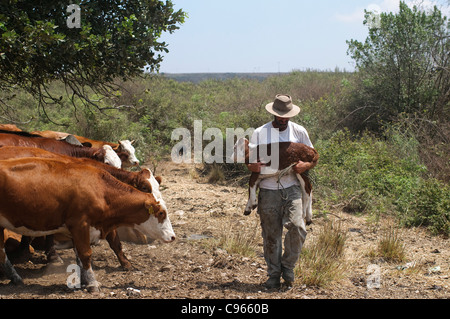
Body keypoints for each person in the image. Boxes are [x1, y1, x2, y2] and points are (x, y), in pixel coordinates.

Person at [246, 94, 317, 289]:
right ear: (273, 114)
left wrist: (305, 166)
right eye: (280, 116)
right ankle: (273, 275)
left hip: (292, 187)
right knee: (271, 235)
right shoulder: (260, 132)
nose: (283, 119)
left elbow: (312, 157)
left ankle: (288, 267)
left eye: (286, 116)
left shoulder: (299, 131)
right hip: (268, 190)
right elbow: (250, 160)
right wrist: (252, 166)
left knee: (297, 227)